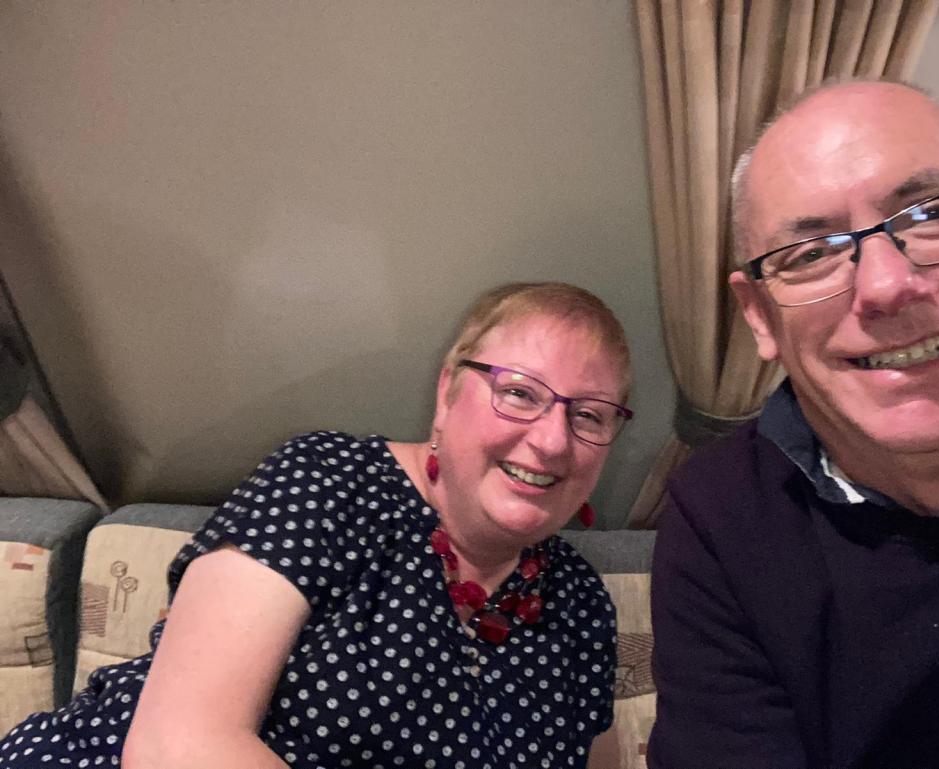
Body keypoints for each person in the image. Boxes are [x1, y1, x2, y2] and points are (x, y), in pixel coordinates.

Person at [0, 281, 634, 769]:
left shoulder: (580, 607)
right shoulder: (328, 481)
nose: (553, 440)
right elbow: (180, 744)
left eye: (589, 415)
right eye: (519, 393)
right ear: (447, 394)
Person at [647, 79, 939, 769]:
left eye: (932, 212)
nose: (885, 285)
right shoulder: (720, 521)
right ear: (759, 315)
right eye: (812, 254)